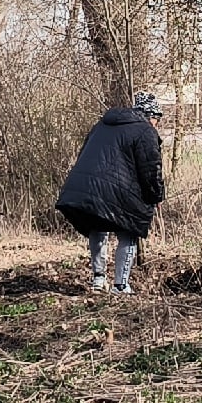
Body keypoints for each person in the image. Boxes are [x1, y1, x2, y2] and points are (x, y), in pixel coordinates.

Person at [56, 90, 167, 293]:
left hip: (85, 189)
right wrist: (156, 196)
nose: (157, 124)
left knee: (97, 225)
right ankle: (121, 286)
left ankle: (98, 280)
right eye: (157, 119)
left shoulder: (102, 125)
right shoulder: (145, 130)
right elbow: (150, 169)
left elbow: (85, 154)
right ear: (151, 116)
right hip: (117, 191)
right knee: (129, 230)